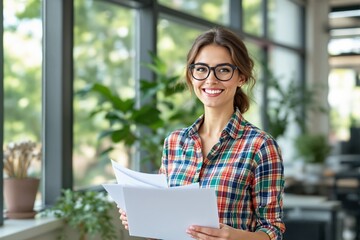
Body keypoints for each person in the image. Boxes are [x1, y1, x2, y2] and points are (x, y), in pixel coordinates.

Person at [120, 26, 285, 240]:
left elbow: (273, 230)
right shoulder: (175, 142)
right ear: (191, 75)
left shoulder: (261, 146)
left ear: (241, 77)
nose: (210, 79)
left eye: (223, 70)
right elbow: (164, 225)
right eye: (201, 69)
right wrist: (144, 219)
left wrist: (235, 237)